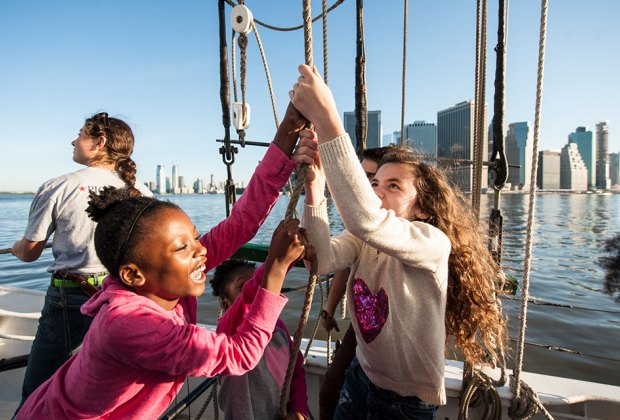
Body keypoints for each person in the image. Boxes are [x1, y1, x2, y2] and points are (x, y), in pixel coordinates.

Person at [15, 103, 316, 419]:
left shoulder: (159, 279)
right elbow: (240, 355)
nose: (201, 252)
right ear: (133, 274)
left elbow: (241, 222)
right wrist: (276, 268)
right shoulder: (133, 324)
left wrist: (286, 132)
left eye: (195, 239)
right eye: (183, 248)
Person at [290, 64, 507, 419]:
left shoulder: (431, 242)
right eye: (375, 184)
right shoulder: (365, 241)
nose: (378, 191)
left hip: (406, 403)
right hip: (361, 379)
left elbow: (365, 218)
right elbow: (321, 261)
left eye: (394, 185)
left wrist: (327, 117)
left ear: (422, 208)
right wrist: (315, 187)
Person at [11, 112, 152, 409]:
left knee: (38, 390)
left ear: (100, 142)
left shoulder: (59, 186)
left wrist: (16, 248)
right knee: (102, 389)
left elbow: (29, 252)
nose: (73, 141)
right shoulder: (143, 192)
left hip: (72, 298)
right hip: (123, 299)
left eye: (80, 134)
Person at [318, 145, 397, 420]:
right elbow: (338, 262)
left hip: (397, 343)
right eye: (364, 179)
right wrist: (329, 310)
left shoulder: (419, 237)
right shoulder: (360, 229)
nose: (366, 188)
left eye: (373, 179)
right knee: (329, 393)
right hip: (363, 327)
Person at [211, 258, 308, 420]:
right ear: (226, 303)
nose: (259, 291)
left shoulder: (279, 327)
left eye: (263, 284)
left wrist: (299, 410)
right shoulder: (226, 330)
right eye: (242, 286)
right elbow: (251, 295)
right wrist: (284, 259)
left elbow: (296, 369)